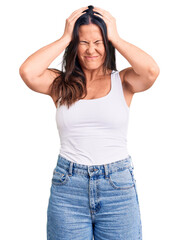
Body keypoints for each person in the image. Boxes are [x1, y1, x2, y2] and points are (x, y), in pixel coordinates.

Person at [19, 5, 160, 240]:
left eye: (98, 42)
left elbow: (151, 71)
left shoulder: (123, 81)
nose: (91, 50)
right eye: (83, 42)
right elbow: (28, 72)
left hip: (117, 187)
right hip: (68, 188)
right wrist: (65, 36)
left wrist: (115, 36)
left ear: (107, 44)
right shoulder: (61, 83)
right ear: (75, 46)